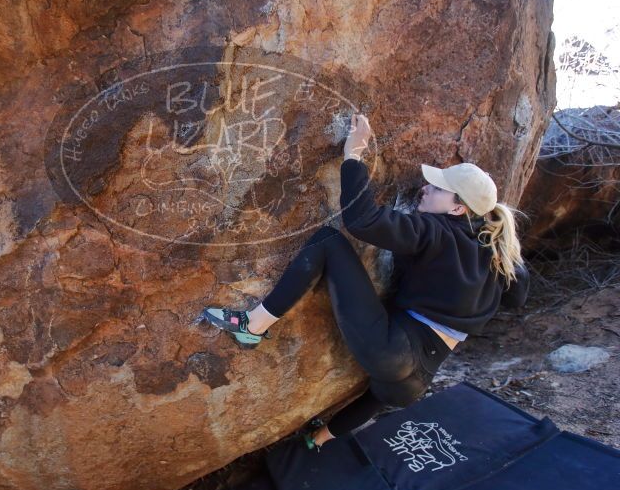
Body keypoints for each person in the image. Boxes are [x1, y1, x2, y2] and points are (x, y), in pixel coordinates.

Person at [202, 114, 530, 451]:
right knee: (378, 394)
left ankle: (252, 325)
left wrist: (353, 156)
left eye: (438, 188)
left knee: (328, 241)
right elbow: (518, 296)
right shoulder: (493, 257)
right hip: (415, 384)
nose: (426, 188)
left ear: (458, 208)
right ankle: (317, 440)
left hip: (393, 350)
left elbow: (363, 221)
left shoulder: (436, 233)